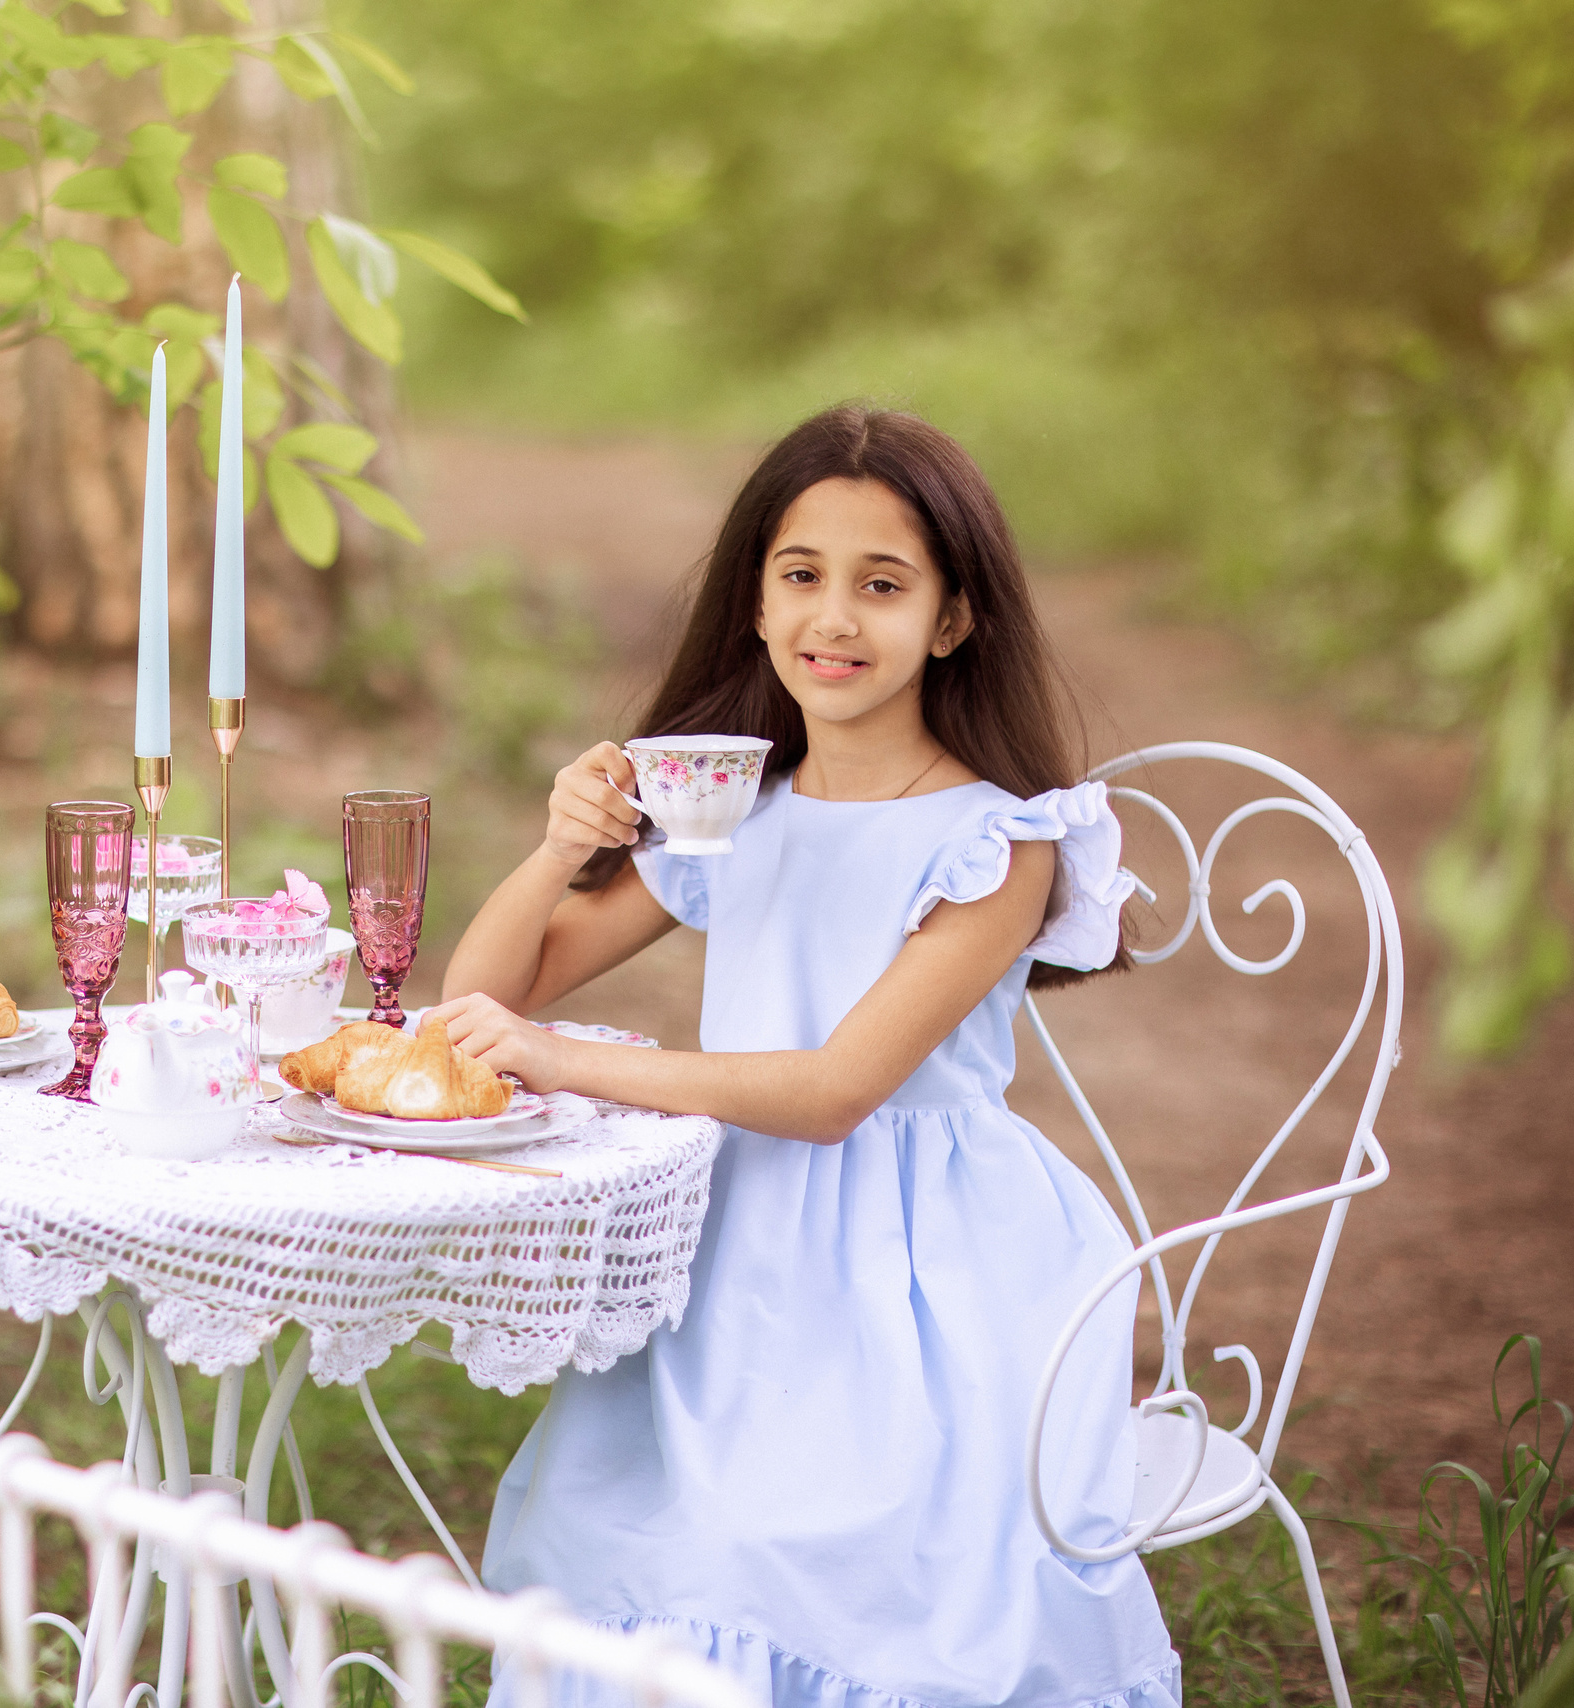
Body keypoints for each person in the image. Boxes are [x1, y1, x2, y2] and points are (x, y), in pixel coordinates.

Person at [431, 405, 1179, 1708]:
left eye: (882, 585)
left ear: (950, 620)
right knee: (642, 1532)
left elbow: (836, 1092)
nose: (834, 618)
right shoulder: (735, 805)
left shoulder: (999, 841)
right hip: (736, 1246)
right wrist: (560, 847)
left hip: (924, 1272)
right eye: (802, 577)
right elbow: (487, 996)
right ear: (758, 605)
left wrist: (563, 1061)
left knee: (806, 1556)